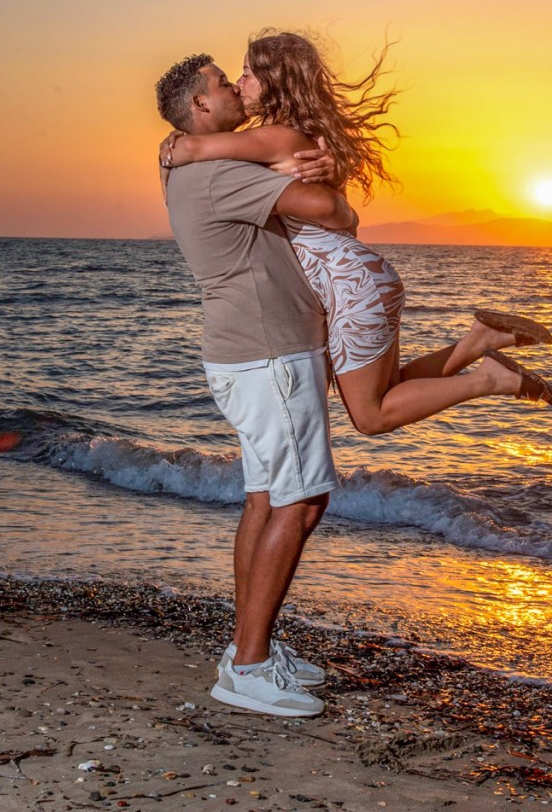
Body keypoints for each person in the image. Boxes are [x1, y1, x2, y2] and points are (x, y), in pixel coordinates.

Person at [160, 31, 552, 442]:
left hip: (349, 284)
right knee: (390, 391)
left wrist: (176, 143)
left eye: (245, 74)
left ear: (274, 80)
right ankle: (480, 341)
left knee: (371, 417)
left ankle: (491, 380)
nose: (240, 85)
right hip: (359, 278)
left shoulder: (271, 137)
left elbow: (195, 152)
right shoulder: (290, 135)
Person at [156, 53, 358, 719]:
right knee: (300, 504)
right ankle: (247, 667)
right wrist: (308, 171)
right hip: (270, 353)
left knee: (266, 498)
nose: (233, 87)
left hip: (248, 353)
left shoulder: (203, 166)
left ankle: (251, 650)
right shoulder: (215, 172)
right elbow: (329, 211)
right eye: (221, 83)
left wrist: (287, 165)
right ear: (201, 109)